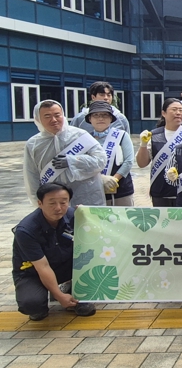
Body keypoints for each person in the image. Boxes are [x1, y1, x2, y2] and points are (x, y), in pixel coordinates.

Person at [13, 183, 95, 321]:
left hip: (65, 267)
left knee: (94, 258)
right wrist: (59, 296)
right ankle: (44, 300)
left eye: (63, 202)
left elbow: (99, 236)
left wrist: (89, 215)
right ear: (40, 203)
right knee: (32, 304)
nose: (58, 208)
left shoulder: (74, 215)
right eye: (52, 203)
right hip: (33, 273)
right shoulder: (26, 230)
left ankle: (71, 289)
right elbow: (43, 267)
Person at [24, 100, 107, 207]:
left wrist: (72, 161)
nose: (54, 120)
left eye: (57, 115)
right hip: (55, 204)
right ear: (37, 119)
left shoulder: (80, 135)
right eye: (47, 116)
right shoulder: (33, 144)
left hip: (87, 197)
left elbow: (101, 160)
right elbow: (32, 176)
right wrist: (38, 202)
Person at [136, 98, 182, 207]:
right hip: (160, 192)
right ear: (163, 113)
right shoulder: (154, 135)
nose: (178, 113)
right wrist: (143, 145)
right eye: (174, 109)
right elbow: (142, 163)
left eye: (181, 110)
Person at [85, 101, 135, 206]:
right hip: (94, 189)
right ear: (90, 119)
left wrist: (113, 180)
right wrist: (101, 180)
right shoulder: (85, 139)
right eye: (96, 115)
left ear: (111, 118)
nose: (100, 118)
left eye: (105, 115)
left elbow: (129, 161)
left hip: (121, 191)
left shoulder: (121, 135)